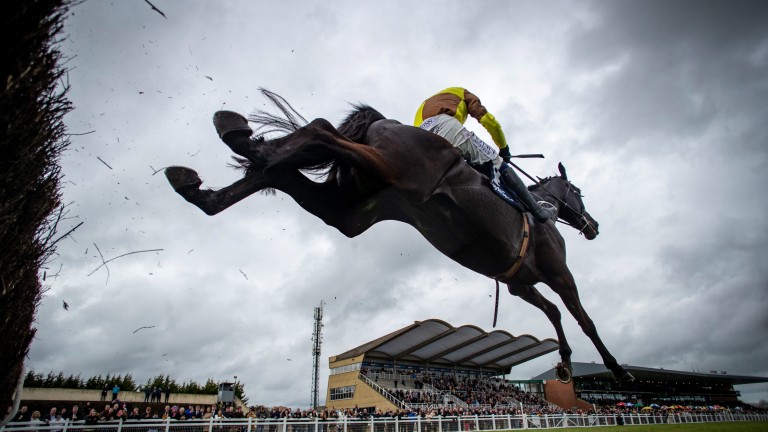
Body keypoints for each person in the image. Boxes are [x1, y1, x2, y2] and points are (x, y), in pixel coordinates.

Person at [414, 87, 553, 222]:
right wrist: (503, 147)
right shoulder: (462, 92)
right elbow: (487, 120)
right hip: (445, 126)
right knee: (497, 162)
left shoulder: (423, 107)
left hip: (420, 139)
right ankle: (538, 211)